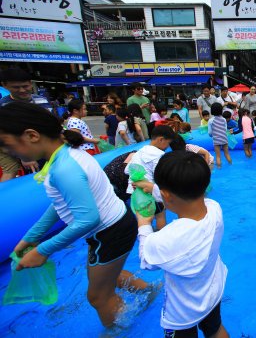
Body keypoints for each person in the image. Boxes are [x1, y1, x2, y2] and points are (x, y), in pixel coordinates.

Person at [0, 102, 150, 327]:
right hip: (116, 225)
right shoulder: (68, 155)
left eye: (7, 145)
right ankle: (151, 293)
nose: (7, 152)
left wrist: (43, 250)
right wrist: (32, 237)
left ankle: (120, 330)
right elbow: (61, 204)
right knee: (109, 276)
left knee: (98, 296)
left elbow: (88, 219)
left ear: (31, 135)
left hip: (108, 234)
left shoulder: (64, 168)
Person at [137, 151, 229, 338]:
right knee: (215, 329)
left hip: (182, 313)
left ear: (166, 195)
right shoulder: (214, 209)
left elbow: (146, 261)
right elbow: (186, 198)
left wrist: (143, 224)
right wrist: (155, 190)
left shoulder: (167, 239)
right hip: (213, 292)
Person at [124, 125, 177, 231]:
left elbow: (127, 170)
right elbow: (161, 176)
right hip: (149, 191)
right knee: (160, 215)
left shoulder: (139, 151)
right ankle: (160, 237)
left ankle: (145, 236)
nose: (168, 147)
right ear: (161, 139)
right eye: (168, 143)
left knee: (143, 218)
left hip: (134, 191)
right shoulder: (159, 155)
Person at [208, 103, 232, 168]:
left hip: (216, 140)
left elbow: (210, 133)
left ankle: (219, 168)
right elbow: (225, 129)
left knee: (218, 156)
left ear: (212, 110)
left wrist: (212, 135)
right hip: (224, 138)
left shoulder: (211, 120)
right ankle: (230, 165)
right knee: (227, 154)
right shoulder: (224, 119)